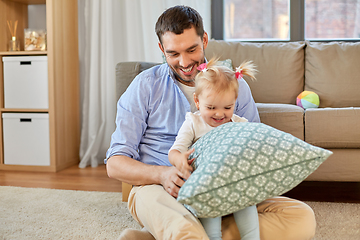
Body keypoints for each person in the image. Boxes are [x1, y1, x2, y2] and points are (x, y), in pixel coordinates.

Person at [105, 5, 316, 240]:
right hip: (160, 190)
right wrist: (162, 175)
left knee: (301, 218)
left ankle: (159, 236)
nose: (184, 62)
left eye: (191, 49)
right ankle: (184, 230)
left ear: (204, 39)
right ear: (161, 49)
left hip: (225, 192)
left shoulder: (235, 86)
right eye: (173, 53)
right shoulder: (144, 86)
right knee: (181, 225)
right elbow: (115, 164)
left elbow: (253, 143)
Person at [169, 58, 260, 240]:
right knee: (210, 229)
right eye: (211, 108)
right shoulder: (193, 123)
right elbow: (175, 151)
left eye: (227, 107)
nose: (219, 114)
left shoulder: (240, 124)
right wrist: (179, 160)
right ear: (197, 101)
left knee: (249, 209)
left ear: (235, 101)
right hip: (206, 188)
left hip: (235, 185)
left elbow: (253, 147)